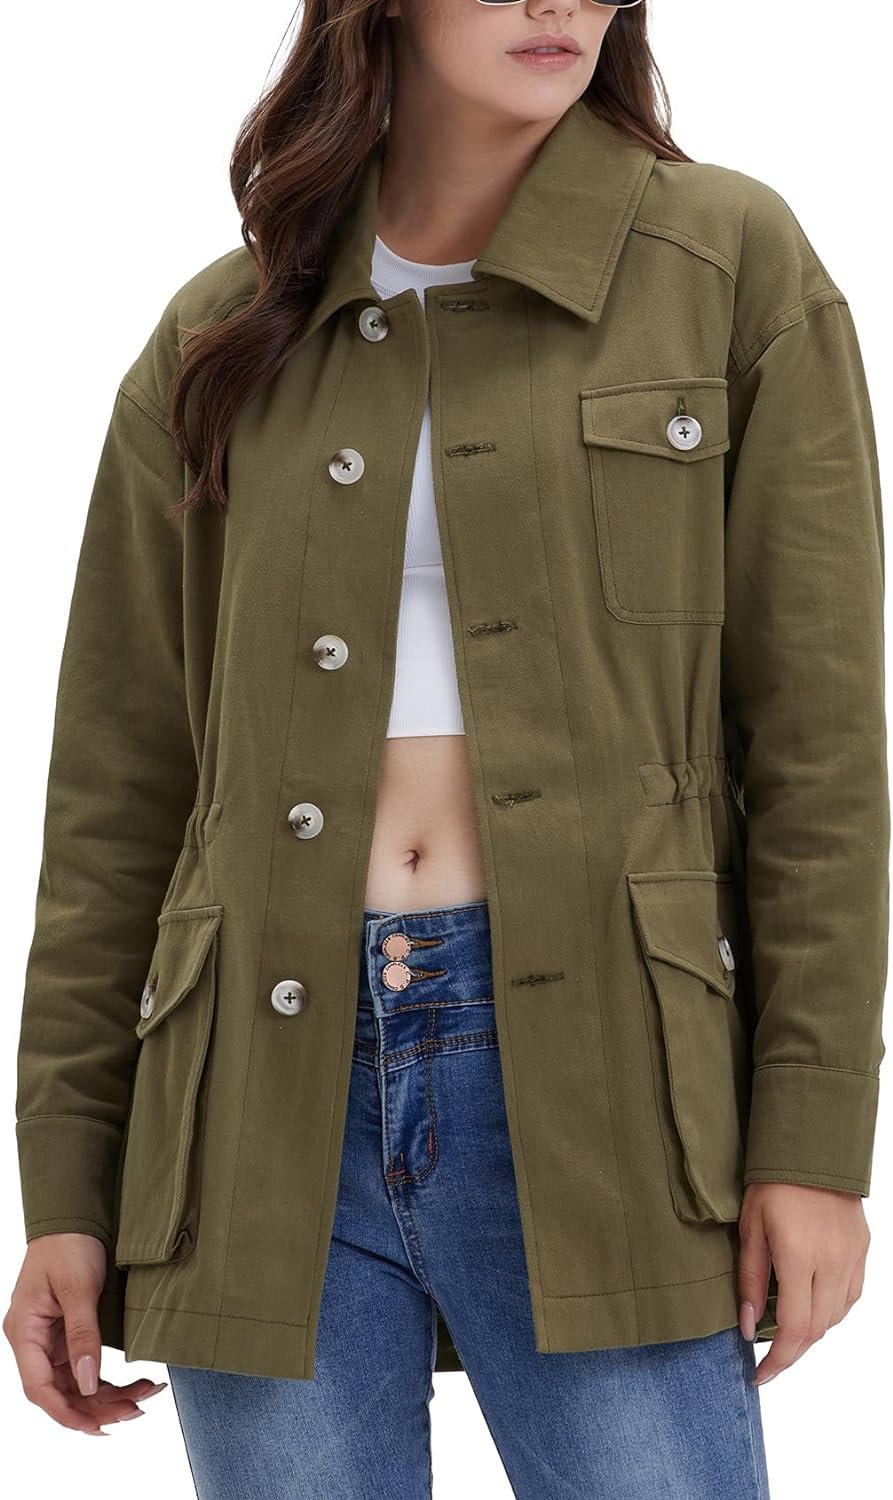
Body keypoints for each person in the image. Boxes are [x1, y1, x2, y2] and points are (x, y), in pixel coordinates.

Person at [5, 2, 887, 1496]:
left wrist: (812, 1141)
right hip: (252, 1094)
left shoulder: (726, 264)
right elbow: (120, 790)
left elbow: (820, 749)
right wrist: (67, 1191)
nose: (559, 2)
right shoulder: (223, 328)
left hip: (608, 1073)